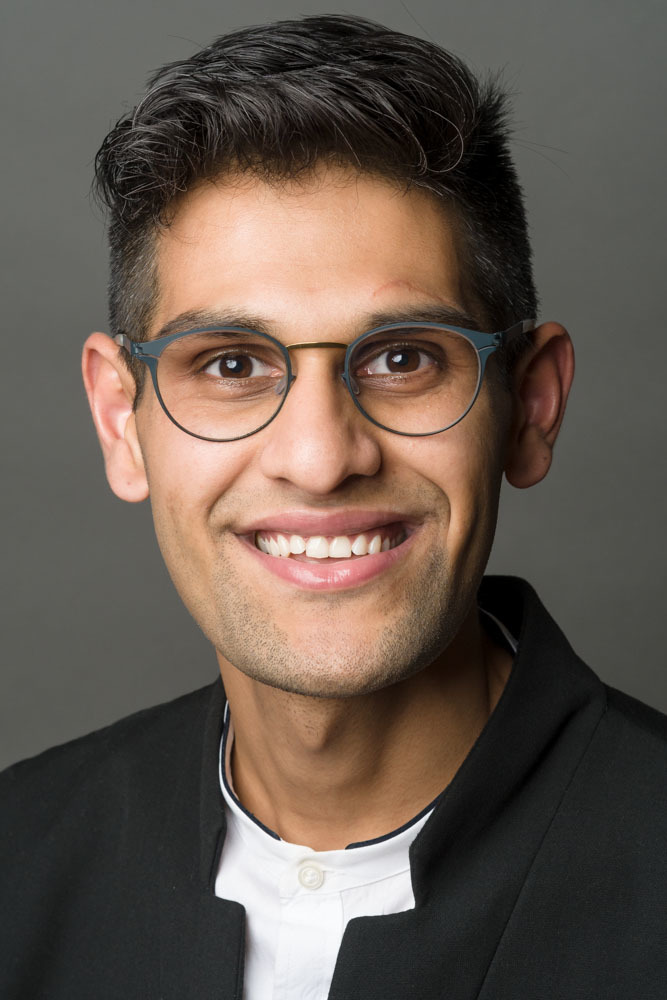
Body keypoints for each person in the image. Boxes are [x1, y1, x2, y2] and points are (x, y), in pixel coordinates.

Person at [2, 13, 666, 999]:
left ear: (530, 404)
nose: (319, 458)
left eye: (403, 358)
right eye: (229, 363)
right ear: (120, 420)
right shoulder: (20, 857)